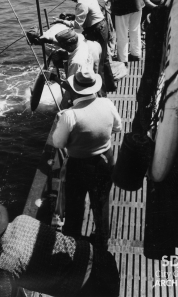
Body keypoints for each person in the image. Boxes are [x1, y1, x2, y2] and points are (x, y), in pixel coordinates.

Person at [0, 197, 120, 297]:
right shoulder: (22, 219)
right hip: (103, 260)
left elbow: (1, 293)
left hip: (93, 289)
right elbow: (19, 262)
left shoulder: (6, 263)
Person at [50, 66, 122, 248]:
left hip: (78, 166)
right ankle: (101, 239)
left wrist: (61, 122)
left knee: (75, 203)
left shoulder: (68, 115)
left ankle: (72, 240)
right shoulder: (107, 103)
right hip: (105, 160)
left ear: (75, 89)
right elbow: (117, 128)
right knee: (101, 201)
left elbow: (58, 143)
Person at [51, 0, 116, 93]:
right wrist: (72, 17)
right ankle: (110, 85)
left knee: (96, 61)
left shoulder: (81, 3)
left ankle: (100, 91)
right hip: (102, 26)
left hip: (95, 31)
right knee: (104, 59)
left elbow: (77, 25)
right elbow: (87, 15)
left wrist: (62, 21)